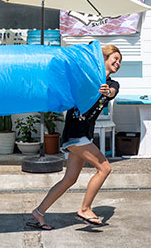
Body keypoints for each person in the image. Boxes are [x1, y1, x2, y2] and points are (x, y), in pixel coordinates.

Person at [27, 44, 122, 230]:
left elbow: (112, 92)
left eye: (120, 61)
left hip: (85, 135)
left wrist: (107, 91)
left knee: (69, 179)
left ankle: (39, 212)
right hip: (75, 134)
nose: (118, 63)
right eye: (115, 59)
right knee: (105, 168)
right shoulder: (86, 78)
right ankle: (85, 209)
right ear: (103, 59)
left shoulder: (112, 84)